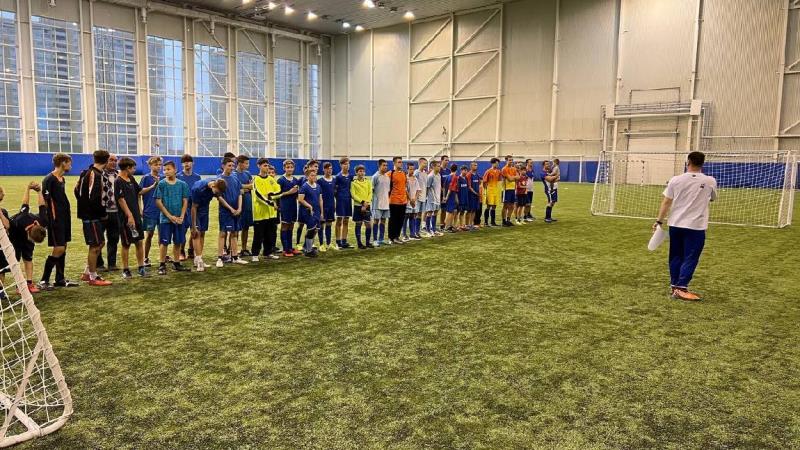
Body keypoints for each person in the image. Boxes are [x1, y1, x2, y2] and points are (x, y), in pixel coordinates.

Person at [654, 151, 717, 302]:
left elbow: (666, 202)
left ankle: (675, 286)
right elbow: (712, 198)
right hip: (696, 226)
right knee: (691, 257)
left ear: (688, 162)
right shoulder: (710, 181)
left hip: (675, 224)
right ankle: (681, 288)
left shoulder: (675, 180)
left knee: (676, 255)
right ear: (703, 163)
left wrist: (659, 221)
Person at [39, 153, 79, 289]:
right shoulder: (49, 179)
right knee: (59, 248)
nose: (70, 166)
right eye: (69, 163)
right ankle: (44, 280)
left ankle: (60, 279)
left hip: (64, 217)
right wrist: (47, 219)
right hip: (55, 219)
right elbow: (45, 201)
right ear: (63, 163)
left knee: (64, 247)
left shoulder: (61, 179)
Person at [76, 150, 113, 286]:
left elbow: (76, 191)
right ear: (106, 160)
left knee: (100, 243)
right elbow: (94, 198)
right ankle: (93, 276)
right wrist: (102, 213)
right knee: (95, 245)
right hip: (92, 216)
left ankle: (87, 272)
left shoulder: (86, 172)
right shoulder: (95, 175)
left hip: (89, 213)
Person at [4, 182, 48, 293]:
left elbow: (42, 206)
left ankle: (29, 283)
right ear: (28, 233)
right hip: (15, 235)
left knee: (28, 258)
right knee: (15, 261)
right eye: (32, 241)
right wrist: (27, 189)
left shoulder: (43, 221)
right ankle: (19, 285)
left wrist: (39, 191)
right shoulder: (20, 220)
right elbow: (25, 203)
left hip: (26, 233)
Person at [154, 161, 191, 275]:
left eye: (168, 169)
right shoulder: (161, 184)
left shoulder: (182, 184)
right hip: (165, 219)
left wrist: (182, 216)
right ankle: (162, 264)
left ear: (175, 170)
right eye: (164, 169)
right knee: (164, 242)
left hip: (179, 219)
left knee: (178, 241)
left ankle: (176, 263)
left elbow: (185, 201)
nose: (166, 171)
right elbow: (158, 201)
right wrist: (169, 216)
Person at [115, 157, 147, 279]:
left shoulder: (131, 178)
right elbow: (121, 200)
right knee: (126, 244)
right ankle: (125, 269)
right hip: (126, 218)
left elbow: (140, 191)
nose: (134, 170)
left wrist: (153, 186)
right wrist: (130, 216)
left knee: (139, 242)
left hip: (136, 216)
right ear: (127, 168)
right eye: (133, 168)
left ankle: (141, 267)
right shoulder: (118, 181)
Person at [190, 178, 230, 271]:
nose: (217, 194)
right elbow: (193, 207)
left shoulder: (217, 184)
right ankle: (199, 261)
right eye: (217, 192)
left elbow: (219, 197)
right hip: (194, 209)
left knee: (202, 233)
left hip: (204, 209)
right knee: (196, 233)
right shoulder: (198, 189)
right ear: (213, 186)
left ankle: (198, 258)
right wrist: (193, 225)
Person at [217, 158, 248, 267]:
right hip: (225, 211)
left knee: (234, 233)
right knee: (223, 233)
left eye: (233, 166)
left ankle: (235, 257)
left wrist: (239, 208)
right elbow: (219, 197)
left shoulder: (235, 178)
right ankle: (220, 258)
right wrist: (231, 209)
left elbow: (240, 193)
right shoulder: (219, 180)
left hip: (236, 211)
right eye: (229, 165)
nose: (231, 168)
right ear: (223, 166)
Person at [251, 160, 281, 262]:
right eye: (264, 165)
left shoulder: (271, 179)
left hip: (271, 213)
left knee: (270, 234)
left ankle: (267, 252)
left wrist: (272, 195)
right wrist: (270, 202)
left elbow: (278, 190)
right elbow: (258, 195)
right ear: (259, 166)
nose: (266, 167)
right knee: (258, 235)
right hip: (260, 213)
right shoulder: (256, 179)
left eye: (267, 165)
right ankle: (255, 254)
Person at [96, 153, 119, 272]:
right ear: (106, 161)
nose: (114, 162)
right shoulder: (98, 174)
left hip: (115, 212)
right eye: (111, 160)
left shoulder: (118, 175)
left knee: (114, 238)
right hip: (102, 211)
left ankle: (112, 263)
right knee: (99, 239)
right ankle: (99, 264)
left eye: (115, 160)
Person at [177, 154, 201, 261]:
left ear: (193, 163)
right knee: (183, 230)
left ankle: (191, 249)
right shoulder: (178, 176)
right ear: (182, 164)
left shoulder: (197, 177)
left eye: (189, 161)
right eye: (184, 162)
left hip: (194, 207)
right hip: (182, 207)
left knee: (194, 228)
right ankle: (181, 250)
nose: (187, 164)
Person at [140, 156, 162, 266]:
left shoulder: (163, 177)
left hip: (162, 211)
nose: (158, 167)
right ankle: (145, 257)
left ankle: (162, 257)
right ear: (150, 166)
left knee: (163, 235)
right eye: (155, 164)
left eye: (159, 165)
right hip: (149, 211)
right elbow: (139, 192)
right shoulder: (146, 178)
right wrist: (153, 185)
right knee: (149, 234)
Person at [277, 160, 302, 257]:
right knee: (285, 225)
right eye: (288, 167)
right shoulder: (281, 180)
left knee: (291, 225)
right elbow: (277, 195)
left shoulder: (295, 180)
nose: (290, 169)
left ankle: (290, 247)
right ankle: (285, 249)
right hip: (285, 205)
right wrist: (289, 192)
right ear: (284, 168)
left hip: (293, 205)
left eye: (291, 167)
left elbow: (297, 194)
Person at [297, 168, 322, 258]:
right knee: (311, 229)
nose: (314, 177)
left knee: (316, 230)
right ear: (307, 177)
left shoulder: (318, 186)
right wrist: (309, 206)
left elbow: (320, 199)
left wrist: (321, 212)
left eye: (315, 175)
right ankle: (308, 250)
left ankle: (307, 246)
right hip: (308, 211)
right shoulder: (304, 186)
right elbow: (300, 199)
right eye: (312, 175)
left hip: (317, 211)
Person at [235, 155, 254, 256]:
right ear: (239, 163)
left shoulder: (248, 174)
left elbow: (252, 186)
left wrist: (243, 188)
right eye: (246, 163)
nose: (248, 165)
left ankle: (244, 248)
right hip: (237, 203)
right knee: (236, 228)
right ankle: (233, 249)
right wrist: (245, 187)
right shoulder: (234, 174)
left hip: (247, 202)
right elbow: (236, 187)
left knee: (246, 227)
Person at [351, 164, 373, 249]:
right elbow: (353, 195)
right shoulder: (353, 183)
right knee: (358, 224)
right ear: (356, 173)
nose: (362, 173)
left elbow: (370, 193)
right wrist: (362, 202)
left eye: (363, 171)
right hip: (358, 206)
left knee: (368, 224)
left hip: (367, 205)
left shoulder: (368, 182)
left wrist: (366, 203)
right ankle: (359, 243)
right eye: (360, 171)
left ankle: (367, 242)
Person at [387, 157, 408, 245]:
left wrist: (407, 198)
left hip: (403, 201)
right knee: (393, 220)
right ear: (394, 163)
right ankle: (391, 237)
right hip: (393, 201)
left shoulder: (404, 174)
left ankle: (397, 237)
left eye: (401, 162)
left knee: (400, 220)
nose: (401, 163)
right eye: (399, 162)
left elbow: (405, 187)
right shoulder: (390, 174)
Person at [371, 159, 391, 246]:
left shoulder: (387, 177)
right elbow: (371, 190)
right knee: (376, 221)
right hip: (377, 204)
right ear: (379, 166)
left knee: (383, 221)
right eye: (384, 165)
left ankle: (381, 239)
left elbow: (388, 190)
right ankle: (375, 240)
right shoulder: (375, 177)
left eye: (386, 165)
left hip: (386, 203)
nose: (385, 167)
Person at [334, 157, 353, 249]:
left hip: (348, 200)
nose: (347, 165)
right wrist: (338, 198)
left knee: (346, 220)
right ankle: (338, 242)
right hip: (340, 201)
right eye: (345, 164)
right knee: (339, 220)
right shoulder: (338, 177)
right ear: (341, 165)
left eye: (348, 164)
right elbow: (334, 190)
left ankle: (344, 241)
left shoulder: (351, 176)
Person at [317, 162, 336, 251]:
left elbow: (334, 193)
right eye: (327, 168)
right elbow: (318, 195)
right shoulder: (320, 181)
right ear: (324, 170)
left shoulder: (334, 180)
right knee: (321, 225)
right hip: (323, 206)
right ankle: (321, 244)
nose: (329, 170)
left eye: (330, 168)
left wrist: (334, 204)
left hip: (331, 205)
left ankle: (329, 243)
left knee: (329, 224)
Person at [424, 160, 443, 236]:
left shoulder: (439, 175)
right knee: (429, 213)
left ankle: (434, 230)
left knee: (435, 213)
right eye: (438, 166)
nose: (439, 167)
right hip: (431, 198)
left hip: (438, 198)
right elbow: (427, 187)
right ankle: (428, 230)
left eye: (439, 166)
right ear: (433, 167)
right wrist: (426, 197)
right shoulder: (430, 176)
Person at [402, 162, 420, 241]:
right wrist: (410, 199)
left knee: (413, 217)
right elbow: (405, 190)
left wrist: (415, 199)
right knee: (405, 218)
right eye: (410, 169)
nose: (412, 171)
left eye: (413, 169)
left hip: (413, 201)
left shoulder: (415, 179)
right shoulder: (405, 178)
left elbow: (418, 190)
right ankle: (404, 235)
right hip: (407, 201)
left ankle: (412, 234)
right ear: (407, 169)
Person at [482, 158, 502, 226]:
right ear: (493, 163)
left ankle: (493, 222)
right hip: (489, 190)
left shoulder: (499, 171)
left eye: (498, 163)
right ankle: (486, 222)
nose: (497, 164)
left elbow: (499, 180)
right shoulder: (488, 171)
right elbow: (484, 181)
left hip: (496, 190)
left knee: (494, 206)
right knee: (488, 206)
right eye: (496, 163)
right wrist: (485, 190)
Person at [501, 155, 519, 227]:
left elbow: (518, 177)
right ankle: (503, 221)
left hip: (513, 189)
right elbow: (510, 179)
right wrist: (514, 177)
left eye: (512, 160)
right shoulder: (504, 169)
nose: (511, 161)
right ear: (506, 160)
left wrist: (513, 177)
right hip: (506, 189)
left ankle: (508, 220)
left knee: (512, 206)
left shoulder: (514, 169)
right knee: (505, 206)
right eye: (509, 160)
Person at [442, 164, 460, 232]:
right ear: (456, 170)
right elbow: (451, 188)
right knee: (449, 212)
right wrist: (447, 197)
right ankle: (446, 227)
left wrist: (444, 196)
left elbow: (444, 187)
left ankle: (449, 226)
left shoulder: (447, 176)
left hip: (448, 196)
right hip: (451, 196)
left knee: (451, 211)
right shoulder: (455, 177)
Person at [415, 158, 429, 238]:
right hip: (417, 197)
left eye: (426, 163)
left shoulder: (425, 173)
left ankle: (417, 231)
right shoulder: (416, 173)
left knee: (420, 214)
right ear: (420, 163)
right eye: (424, 163)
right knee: (415, 214)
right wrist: (415, 196)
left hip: (423, 197)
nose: (426, 165)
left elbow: (425, 185)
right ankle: (414, 231)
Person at [467, 162, 481, 230]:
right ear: (471, 166)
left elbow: (479, 184)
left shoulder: (477, 175)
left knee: (474, 210)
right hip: (471, 195)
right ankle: (468, 224)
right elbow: (469, 186)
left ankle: (471, 224)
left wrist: (479, 193)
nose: (476, 166)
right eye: (475, 165)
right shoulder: (469, 174)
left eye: (476, 165)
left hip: (476, 195)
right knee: (470, 210)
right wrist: (475, 193)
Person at [457, 166, 470, 230]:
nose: (466, 171)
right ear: (461, 170)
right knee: (457, 212)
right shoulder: (458, 178)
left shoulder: (466, 178)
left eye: (466, 170)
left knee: (463, 212)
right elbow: (457, 189)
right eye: (464, 170)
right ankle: (456, 225)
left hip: (465, 198)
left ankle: (462, 225)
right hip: (460, 198)